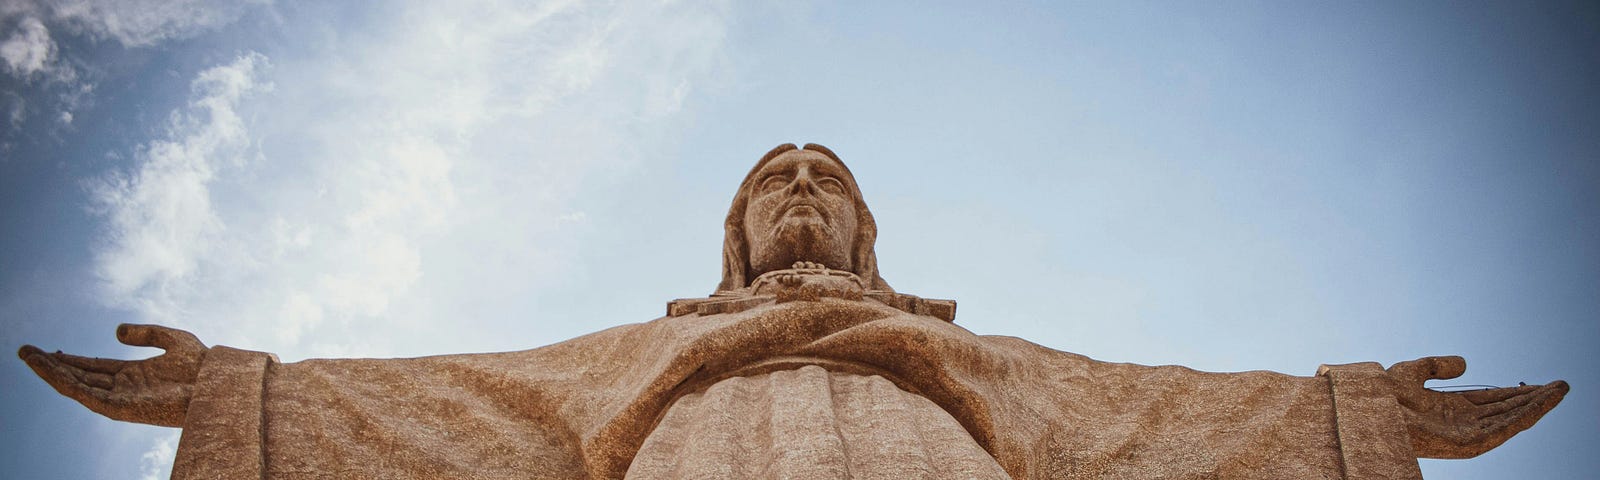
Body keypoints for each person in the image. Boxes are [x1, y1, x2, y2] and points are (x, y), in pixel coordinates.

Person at [21, 144, 1568, 479]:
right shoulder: (648, 359)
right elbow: (459, 406)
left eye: (827, 182)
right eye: (778, 183)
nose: (805, 195)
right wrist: (245, 393)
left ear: (869, 233)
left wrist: (1351, 411)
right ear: (738, 232)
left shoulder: (966, 362)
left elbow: (1144, 418)